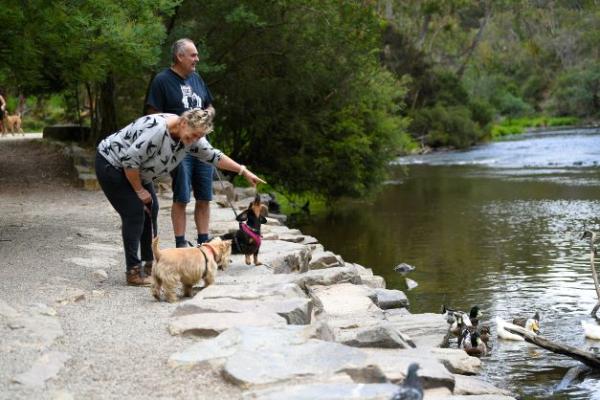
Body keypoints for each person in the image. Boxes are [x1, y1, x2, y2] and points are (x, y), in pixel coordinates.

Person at [94, 108, 264, 286]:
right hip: (112, 164)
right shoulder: (157, 130)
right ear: (183, 123)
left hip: (139, 171)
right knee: (135, 212)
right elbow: (129, 161)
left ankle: (149, 264)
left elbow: (214, 156)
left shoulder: (192, 135)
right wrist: (139, 190)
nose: (193, 142)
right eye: (192, 136)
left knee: (152, 209)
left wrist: (243, 171)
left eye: (198, 138)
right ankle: (133, 271)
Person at [146, 38, 217, 248]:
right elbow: (152, 115)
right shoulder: (162, 80)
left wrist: (207, 114)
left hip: (201, 145)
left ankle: (204, 241)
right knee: (182, 196)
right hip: (178, 148)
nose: (197, 59)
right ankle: (180, 243)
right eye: (193, 55)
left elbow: (210, 106)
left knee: (204, 196)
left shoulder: (197, 79)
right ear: (180, 57)